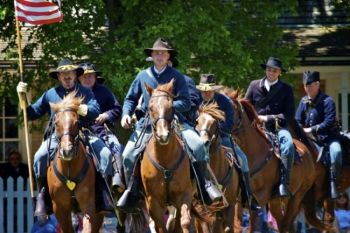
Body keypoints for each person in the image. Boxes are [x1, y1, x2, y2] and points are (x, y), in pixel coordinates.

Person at [117, 38, 223, 213]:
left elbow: (187, 102)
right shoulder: (142, 76)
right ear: (151, 55)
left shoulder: (177, 76)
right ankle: (132, 191)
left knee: (197, 146)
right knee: (128, 154)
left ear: (168, 56)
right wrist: (126, 114)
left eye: (163, 53)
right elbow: (130, 99)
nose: (159, 56)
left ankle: (205, 186)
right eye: (156, 53)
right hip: (147, 124)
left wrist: (168, 107)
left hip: (175, 122)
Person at [16, 58, 113, 217]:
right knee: (39, 157)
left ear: (75, 75)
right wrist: (22, 97)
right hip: (58, 136)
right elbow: (31, 114)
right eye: (63, 73)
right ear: (59, 76)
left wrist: (80, 108)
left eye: (70, 73)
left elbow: (95, 110)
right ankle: (43, 197)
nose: (67, 76)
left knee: (105, 155)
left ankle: (104, 194)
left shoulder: (85, 91)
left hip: (83, 132)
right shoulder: (50, 94)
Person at [196, 74, 260, 210]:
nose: (206, 93)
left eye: (209, 90)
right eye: (203, 90)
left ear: (214, 90)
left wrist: (214, 130)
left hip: (221, 137)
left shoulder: (224, 102)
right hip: (198, 137)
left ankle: (247, 196)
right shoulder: (196, 101)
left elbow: (230, 123)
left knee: (242, 159)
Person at [245, 57, 295, 197]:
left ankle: (284, 183)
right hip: (256, 128)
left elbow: (289, 115)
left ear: (280, 73)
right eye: (269, 69)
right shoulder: (254, 85)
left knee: (288, 146)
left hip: (278, 128)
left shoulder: (286, 89)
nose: (271, 72)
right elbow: (246, 107)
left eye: (274, 70)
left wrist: (268, 118)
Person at [78, 62, 124, 191]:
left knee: (117, 149)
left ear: (95, 77)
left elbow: (117, 109)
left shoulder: (104, 91)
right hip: (80, 132)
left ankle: (116, 182)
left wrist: (106, 115)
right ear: (79, 78)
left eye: (90, 76)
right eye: (84, 76)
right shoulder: (74, 93)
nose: (87, 79)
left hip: (103, 130)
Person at [295, 71, 342, 199]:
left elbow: (329, 122)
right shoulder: (303, 101)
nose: (307, 88)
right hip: (310, 140)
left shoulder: (328, 101)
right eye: (306, 86)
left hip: (328, 138)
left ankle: (334, 184)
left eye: (310, 85)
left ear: (317, 85)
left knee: (336, 153)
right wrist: (299, 129)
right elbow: (298, 120)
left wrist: (311, 129)